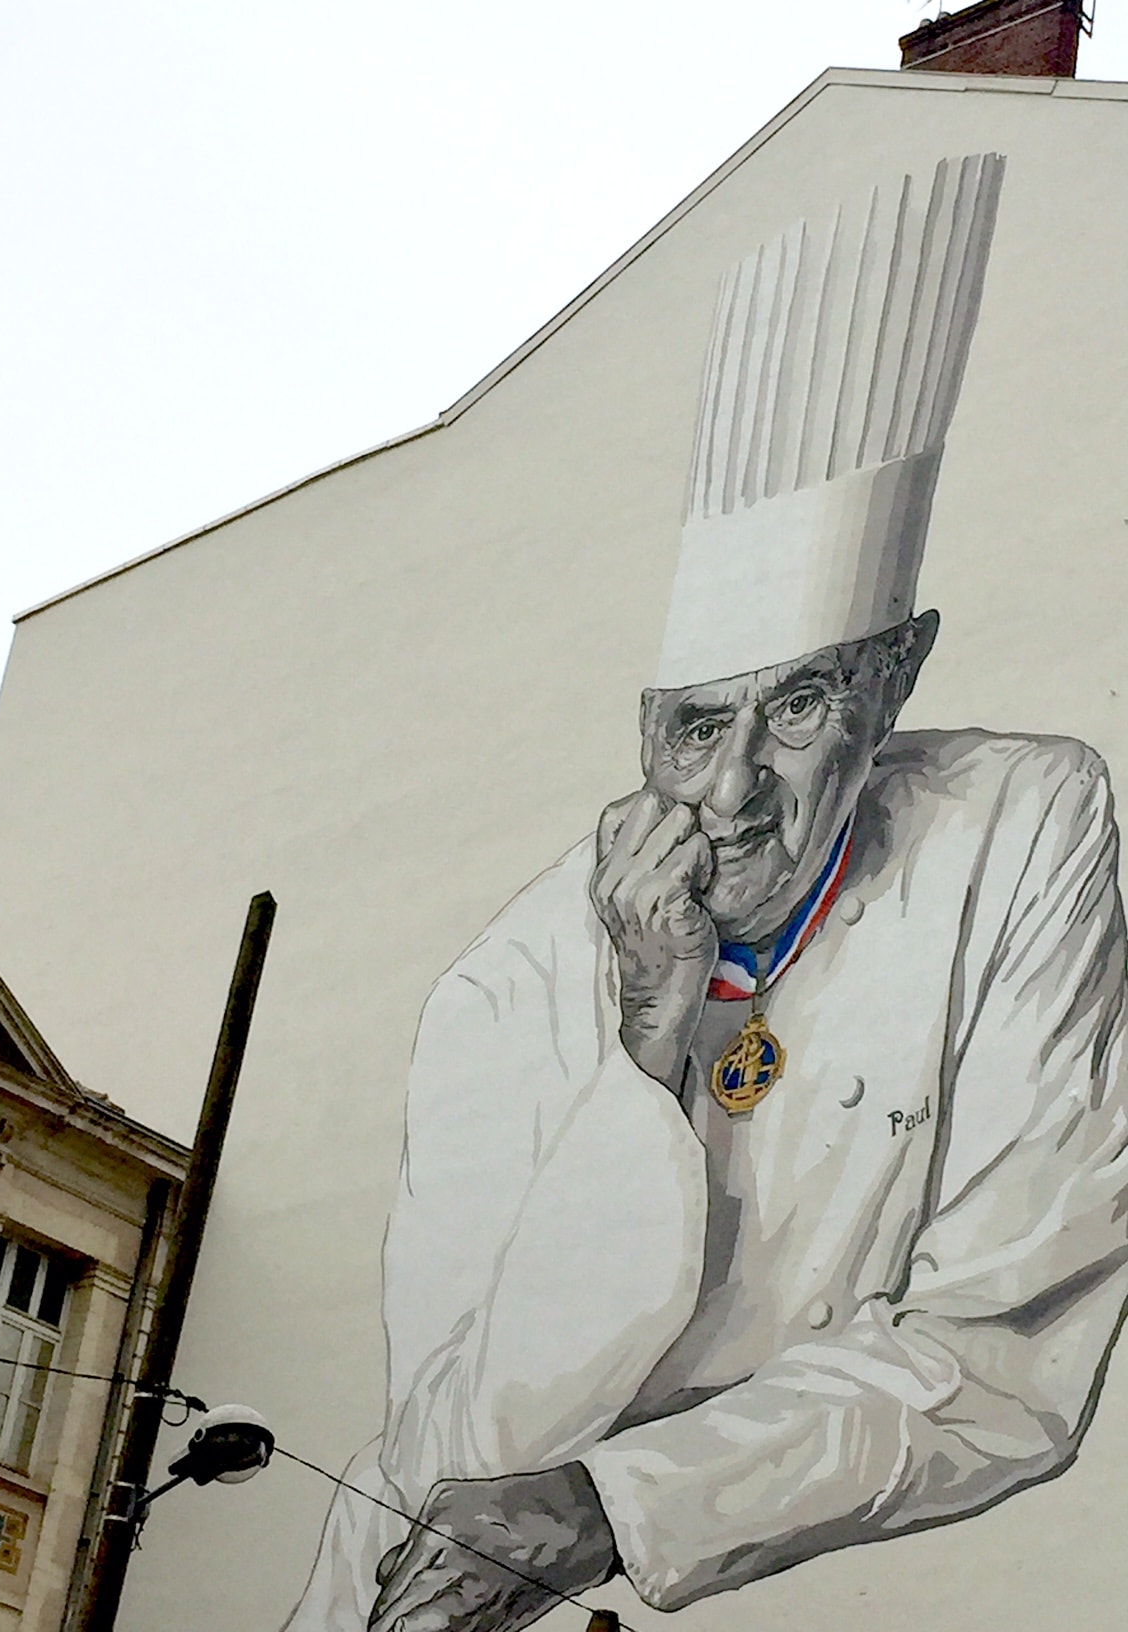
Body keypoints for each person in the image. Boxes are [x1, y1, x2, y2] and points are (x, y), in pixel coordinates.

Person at [292, 152, 1128, 1632]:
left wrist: (625, 1505)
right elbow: (479, 1440)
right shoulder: (510, 983)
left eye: (801, 707)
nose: (733, 791)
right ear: (641, 720)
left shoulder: (1025, 827)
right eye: (693, 724)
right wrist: (641, 1043)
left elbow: (1005, 1352)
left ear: (899, 677)